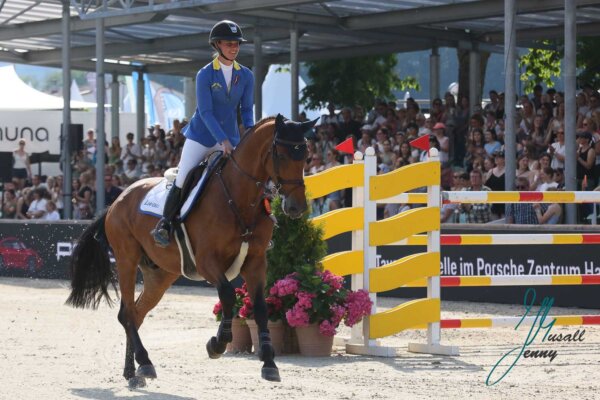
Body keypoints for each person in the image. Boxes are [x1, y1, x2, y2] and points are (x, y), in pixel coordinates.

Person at [152, 20, 254, 247]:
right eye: (229, 43)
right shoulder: (205, 74)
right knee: (183, 177)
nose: (234, 47)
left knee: (247, 178)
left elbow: (246, 110)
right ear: (217, 45)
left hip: (231, 138)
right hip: (202, 136)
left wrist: (250, 135)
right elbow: (206, 112)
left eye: (237, 43)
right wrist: (223, 141)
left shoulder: (246, 75)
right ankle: (165, 225)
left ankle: (254, 226)